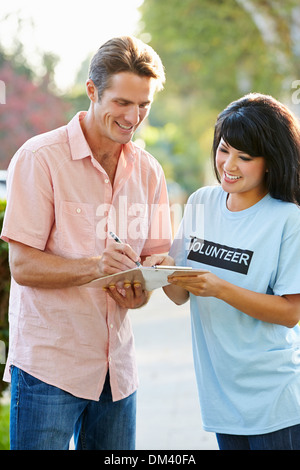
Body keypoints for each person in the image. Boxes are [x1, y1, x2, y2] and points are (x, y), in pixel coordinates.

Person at [1, 36, 172, 450]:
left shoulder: (149, 171)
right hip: (49, 369)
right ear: (93, 91)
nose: (134, 117)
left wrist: (139, 292)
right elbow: (22, 267)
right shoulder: (40, 158)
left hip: (118, 372)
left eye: (144, 105)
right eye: (122, 102)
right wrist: (98, 266)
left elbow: (151, 264)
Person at [145, 93, 300, 450]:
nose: (229, 165)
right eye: (224, 150)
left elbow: (291, 313)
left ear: (270, 161)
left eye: (245, 157)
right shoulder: (201, 201)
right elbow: (181, 294)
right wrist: (162, 268)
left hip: (275, 401)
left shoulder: (287, 219)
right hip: (221, 399)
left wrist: (219, 288)